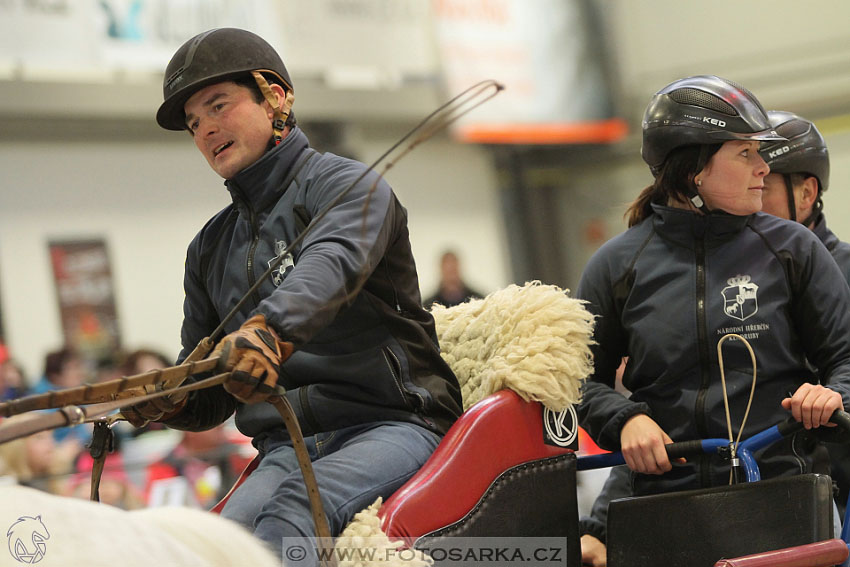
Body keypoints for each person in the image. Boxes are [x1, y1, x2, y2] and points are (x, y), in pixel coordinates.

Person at [121, 28, 462, 564]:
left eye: (218, 106)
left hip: (394, 423)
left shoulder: (349, 187)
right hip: (285, 446)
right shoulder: (208, 248)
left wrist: (267, 330)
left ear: (275, 97)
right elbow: (212, 389)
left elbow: (331, 265)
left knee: (290, 517)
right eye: (193, 124)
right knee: (214, 545)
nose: (206, 129)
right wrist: (173, 399)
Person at [576, 75, 850, 564]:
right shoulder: (617, 265)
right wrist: (625, 419)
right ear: (694, 171)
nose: (764, 168)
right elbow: (577, 380)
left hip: (783, 497)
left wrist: (832, 393)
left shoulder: (793, 249)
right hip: (663, 512)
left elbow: (846, 356)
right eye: (745, 153)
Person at [759, 111, 850, 519]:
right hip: (771, 498)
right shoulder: (738, 286)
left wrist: (838, 394)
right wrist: (601, 525)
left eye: (763, 187)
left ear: (807, 194)